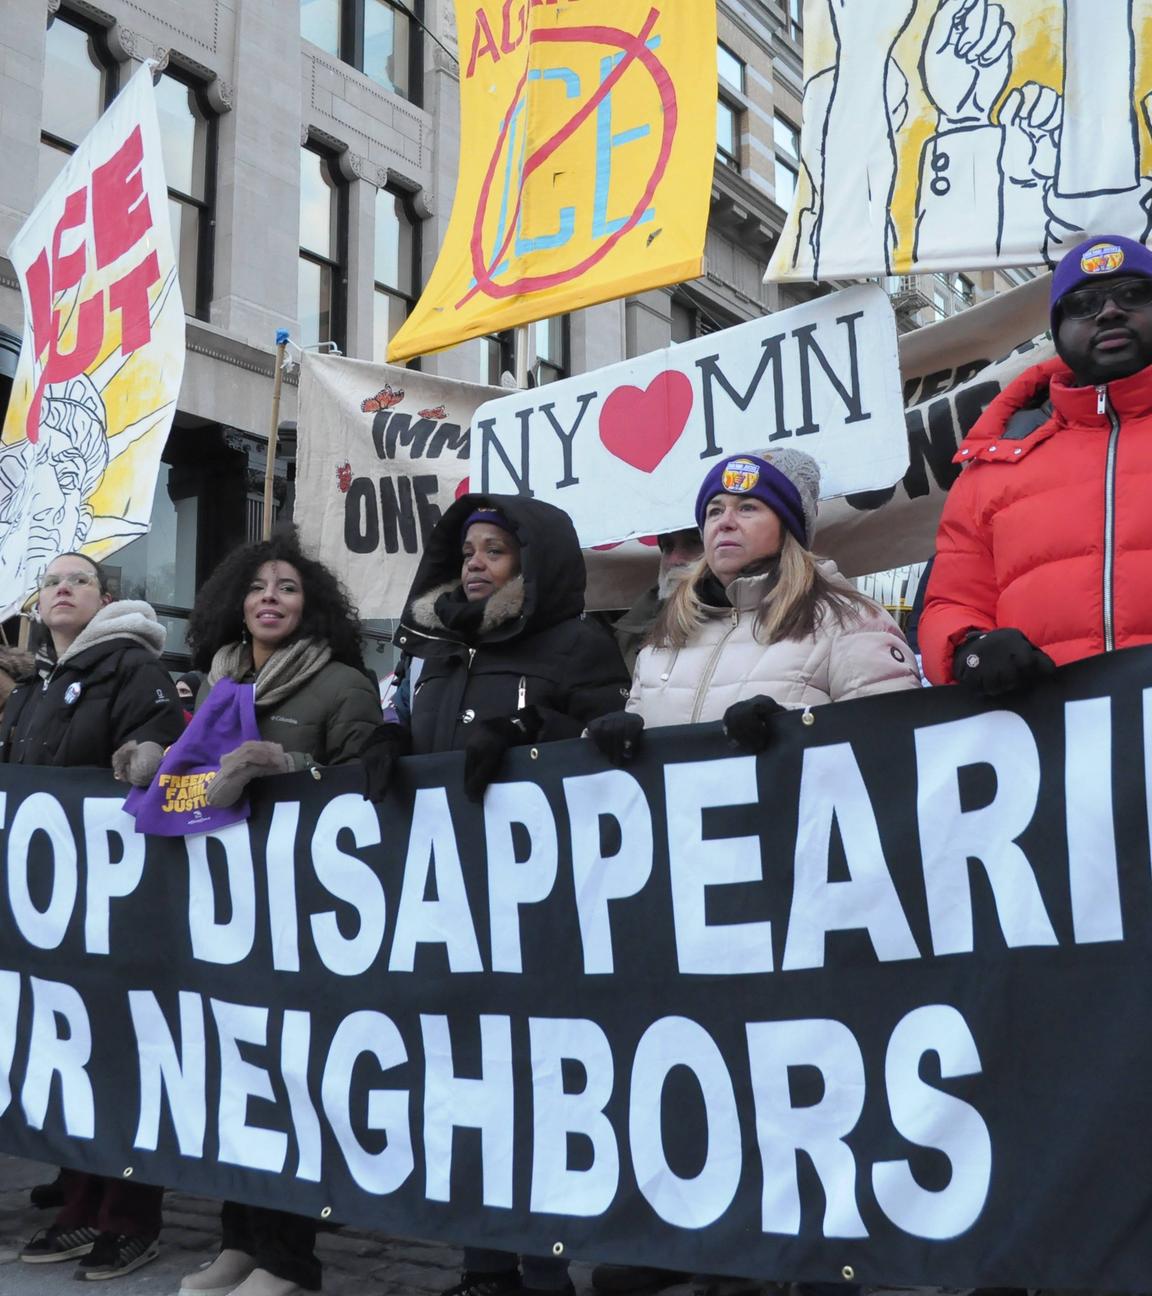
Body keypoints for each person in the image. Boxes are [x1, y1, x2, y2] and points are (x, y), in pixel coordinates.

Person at [361, 494, 630, 1296]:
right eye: (468, 550)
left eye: (495, 552)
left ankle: (545, 1268)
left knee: (537, 1082)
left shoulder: (580, 643)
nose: (475, 563)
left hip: (538, 903)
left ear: (533, 565)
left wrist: (527, 732)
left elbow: (612, 744)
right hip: (444, 904)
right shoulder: (432, 646)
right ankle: (484, 1266)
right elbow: (405, 715)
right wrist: (386, 737)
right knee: (459, 1080)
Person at [178, 532, 382, 1296]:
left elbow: (370, 785)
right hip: (227, 915)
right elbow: (188, 777)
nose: (270, 597)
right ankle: (239, 1242)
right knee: (239, 1079)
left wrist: (286, 767)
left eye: (288, 588)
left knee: (293, 1083)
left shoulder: (341, 684)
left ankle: (288, 1260)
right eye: (258, 586)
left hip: (307, 917)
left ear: (312, 607)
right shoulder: (215, 681)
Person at [3, 551, 185, 1281]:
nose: (62, 589)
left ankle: (131, 1219)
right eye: (50, 582)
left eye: (78, 579)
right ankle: (80, 1205)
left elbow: (167, 762)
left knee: (120, 1058)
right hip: (49, 909)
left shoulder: (132, 668)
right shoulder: (36, 689)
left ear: (105, 597)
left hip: (114, 901)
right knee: (68, 1056)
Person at [920, 233, 1152, 691]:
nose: (1109, 311)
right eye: (1084, 303)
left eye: (1133, 294)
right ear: (1057, 331)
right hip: (1054, 745)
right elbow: (951, 601)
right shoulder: (995, 463)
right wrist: (969, 649)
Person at [588, 449, 920, 751]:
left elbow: (895, 745)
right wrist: (604, 742)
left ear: (787, 528)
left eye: (747, 507)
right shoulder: (669, 630)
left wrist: (792, 729)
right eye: (714, 511)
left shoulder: (848, 621)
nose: (725, 522)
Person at [612, 527, 704, 671]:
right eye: (668, 546)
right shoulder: (628, 636)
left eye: (692, 544)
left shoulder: (744, 628)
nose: (674, 560)